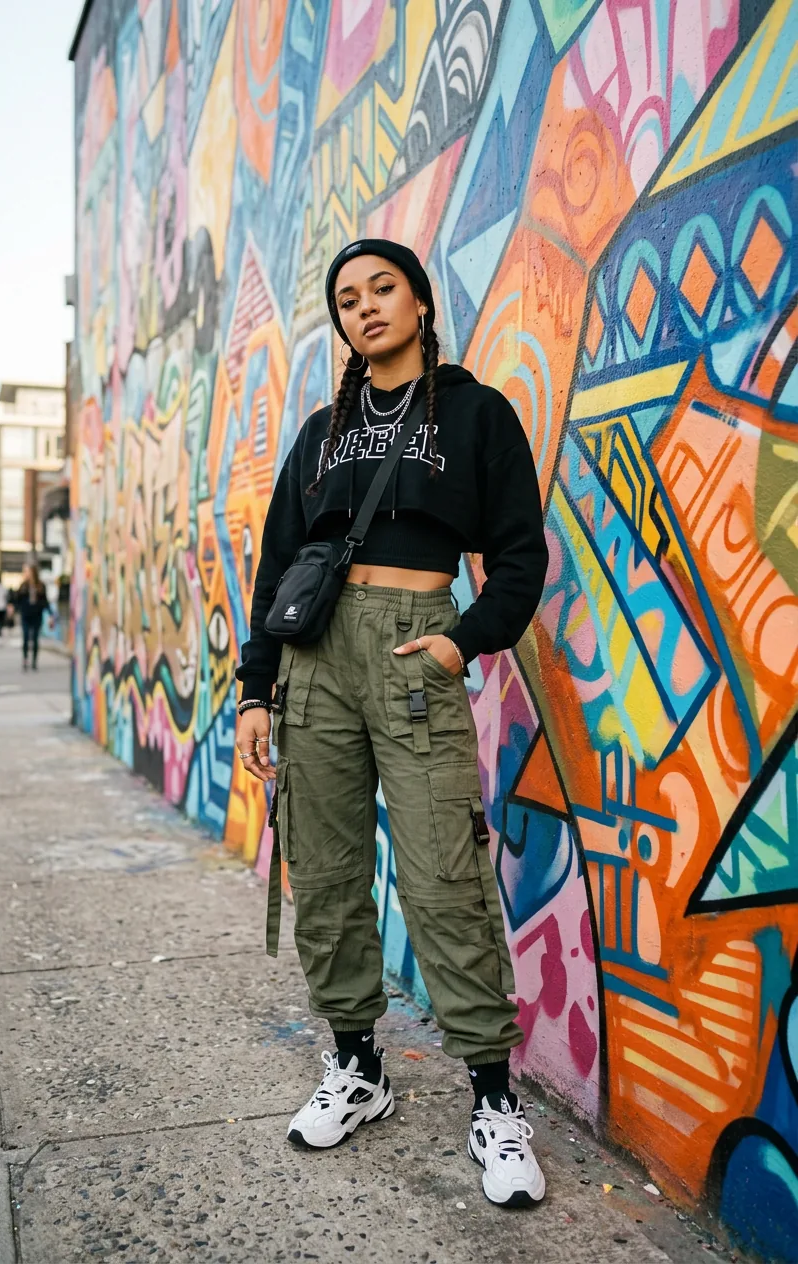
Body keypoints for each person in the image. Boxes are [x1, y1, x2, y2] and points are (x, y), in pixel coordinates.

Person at [234, 239, 549, 1209]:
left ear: (417, 301)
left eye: (381, 289)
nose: (363, 307)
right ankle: (357, 1065)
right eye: (345, 298)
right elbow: (280, 560)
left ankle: (494, 1104)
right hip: (316, 659)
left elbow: (519, 555)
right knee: (324, 867)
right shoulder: (323, 430)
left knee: (441, 871)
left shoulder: (474, 413)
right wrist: (256, 687)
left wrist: (463, 641)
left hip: (417, 646)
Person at [8, 563, 52, 671]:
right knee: (26, 637)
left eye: (27, 571)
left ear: (32, 572)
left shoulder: (41, 586)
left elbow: (45, 601)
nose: (25, 573)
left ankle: (34, 661)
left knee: (36, 639)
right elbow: (16, 599)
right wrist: (13, 608)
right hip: (25, 615)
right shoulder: (23, 585)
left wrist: (50, 615)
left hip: (37, 615)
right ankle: (25, 659)